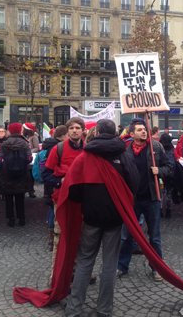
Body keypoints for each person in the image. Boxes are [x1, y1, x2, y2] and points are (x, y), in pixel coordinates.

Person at [65, 119, 140, 317]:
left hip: (90, 217)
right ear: (115, 132)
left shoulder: (85, 155)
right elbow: (134, 182)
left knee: (84, 261)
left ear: (96, 131)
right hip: (115, 217)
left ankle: (74, 309)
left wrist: (84, 200)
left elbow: (72, 187)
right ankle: (104, 309)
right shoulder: (123, 154)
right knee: (109, 264)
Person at [116, 120, 171, 282]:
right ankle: (122, 266)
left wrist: (159, 170)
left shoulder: (156, 147)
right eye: (140, 130)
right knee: (126, 236)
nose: (144, 132)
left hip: (152, 199)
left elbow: (169, 166)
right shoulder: (125, 150)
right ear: (131, 134)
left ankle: (156, 268)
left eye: (144, 129)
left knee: (154, 236)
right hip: (132, 200)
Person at [41, 117, 87, 280]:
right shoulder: (58, 149)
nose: (74, 130)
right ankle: (58, 276)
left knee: (80, 238)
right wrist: (61, 181)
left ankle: (76, 273)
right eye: (72, 128)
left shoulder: (88, 150)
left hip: (83, 201)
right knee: (60, 239)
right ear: (68, 131)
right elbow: (45, 174)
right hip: (62, 200)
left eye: (77, 128)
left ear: (83, 131)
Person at [0, 123, 33, 227]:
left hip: (7, 174)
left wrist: (1, 169)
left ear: (9, 131)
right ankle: (21, 219)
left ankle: (10, 219)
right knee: (20, 197)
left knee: (8, 198)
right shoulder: (25, 143)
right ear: (20, 131)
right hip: (22, 174)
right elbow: (30, 159)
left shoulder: (5, 143)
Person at [41, 125, 68, 250]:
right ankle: (53, 238)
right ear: (63, 135)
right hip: (55, 182)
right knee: (53, 208)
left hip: (51, 182)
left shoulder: (49, 144)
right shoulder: (58, 147)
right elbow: (47, 170)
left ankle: (51, 238)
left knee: (51, 208)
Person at [159, 133, 176, 219]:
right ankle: (168, 211)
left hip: (161, 176)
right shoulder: (172, 149)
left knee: (161, 194)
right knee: (169, 194)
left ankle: (160, 211)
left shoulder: (159, 149)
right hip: (170, 175)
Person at [22, 123, 39, 198]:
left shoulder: (34, 137)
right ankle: (23, 190)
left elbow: (37, 148)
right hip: (23, 158)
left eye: (23, 127)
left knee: (30, 175)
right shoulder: (22, 137)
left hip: (30, 158)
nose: (22, 129)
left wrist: (29, 152)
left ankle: (31, 190)